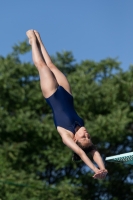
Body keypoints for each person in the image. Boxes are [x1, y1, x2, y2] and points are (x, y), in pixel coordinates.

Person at [26, 30, 108, 180]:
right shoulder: (81, 128)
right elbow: (93, 150)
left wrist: (94, 169)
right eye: (89, 136)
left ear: (76, 140)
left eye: (85, 137)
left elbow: (83, 153)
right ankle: (37, 40)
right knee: (51, 64)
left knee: (41, 65)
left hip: (52, 93)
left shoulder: (67, 136)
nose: (87, 133)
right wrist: (103, 168)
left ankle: (31, 39)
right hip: (66, 93)